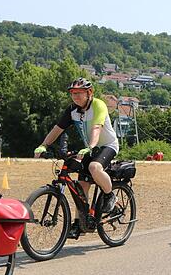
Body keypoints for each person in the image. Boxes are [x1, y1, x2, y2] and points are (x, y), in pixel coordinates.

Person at [35, 77, 119, 215]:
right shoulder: (72, 110)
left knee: (94, 167)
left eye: (79, 93)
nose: (75, 96)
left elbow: (97, 128)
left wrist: (90, 146)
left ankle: (109, 195)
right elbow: (57, 129)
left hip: (107, 145)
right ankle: (80, 223)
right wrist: (43, 145)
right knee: (81, 187)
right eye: (73, 93)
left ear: (89, 92)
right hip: (89, 148)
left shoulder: (98, 105)